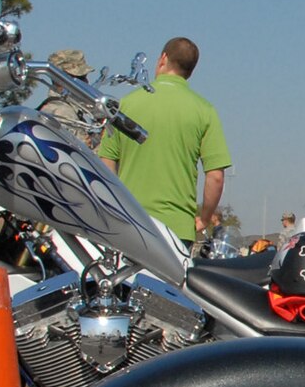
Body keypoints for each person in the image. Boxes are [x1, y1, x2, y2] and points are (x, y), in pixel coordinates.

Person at [97, 37, 232, 251]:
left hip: (128, 221)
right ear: (191, 71)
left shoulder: (126, 103)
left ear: (163, 59)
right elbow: (215, 176)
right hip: (176, 228)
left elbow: (106, 162)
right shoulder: (204, 111)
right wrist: (204, 217)